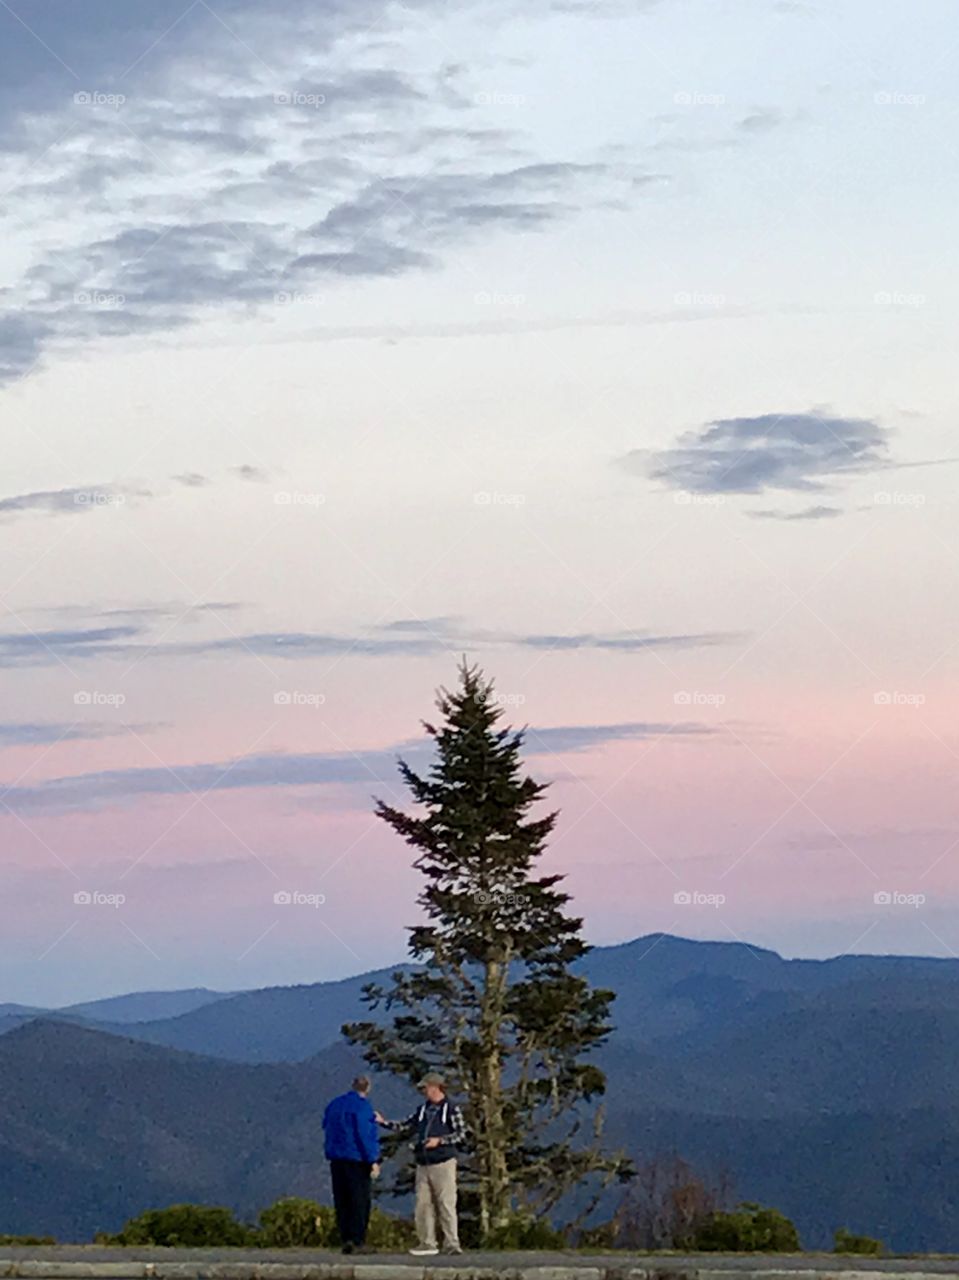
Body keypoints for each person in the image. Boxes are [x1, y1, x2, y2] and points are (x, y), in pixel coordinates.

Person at [376, 1071, 467, 1256]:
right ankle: (427, 1242)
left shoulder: (451, 1109)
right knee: (422, 1204)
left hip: (443, 1162)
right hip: (423, 1162)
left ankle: (452, 1243)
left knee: (446, 1203)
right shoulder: (423, 1110)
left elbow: (461, 1133)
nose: (424, 1092)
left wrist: (439, 1141)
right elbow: (406, 1125)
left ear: (435, 1087)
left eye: (426, 1088)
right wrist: (384, 1123)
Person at [322, 1075, 382, 1254]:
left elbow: (326, 1126)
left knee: (342, 1200)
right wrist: (373, 1159)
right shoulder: (362, 1107)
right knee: (359, 1201)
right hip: (356, 1159)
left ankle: (346, 1238)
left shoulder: (334, 1105)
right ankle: (357, 1240)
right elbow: (363, 1134)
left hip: (336, 1158)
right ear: (367, 1088)